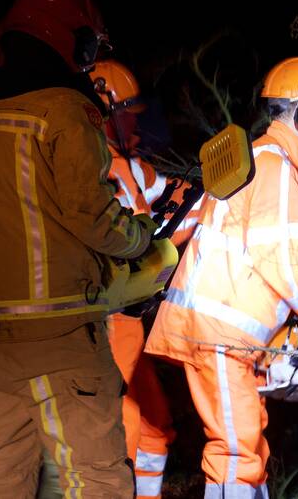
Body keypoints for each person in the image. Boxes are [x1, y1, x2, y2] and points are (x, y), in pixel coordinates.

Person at [0, 0, 157, 498]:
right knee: (95, 478)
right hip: (52, 334)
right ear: (72, 40)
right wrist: (140, 240)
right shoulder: (62, 111)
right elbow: (92, 215)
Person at [145, 56, 298, 498]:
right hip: (219, 334)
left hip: (226, 336)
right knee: (237, 452)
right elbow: (286, 267)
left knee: (244, 441)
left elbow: (255, 263)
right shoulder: (274, 167)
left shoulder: (258, 160)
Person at [91, 58, 201, 499]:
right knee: (123, 430)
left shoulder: (129, 165)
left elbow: (169, 191)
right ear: (106, 111)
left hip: (131, 320)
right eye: (127, 114)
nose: (134, 123)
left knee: (155, 428)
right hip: (107, 319)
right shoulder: (91, 167)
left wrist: (211, 191)